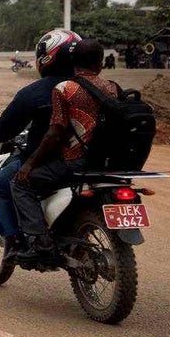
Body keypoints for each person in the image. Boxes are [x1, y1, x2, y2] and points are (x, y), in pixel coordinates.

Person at [0, 28, 80, 258]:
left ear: (46, 58)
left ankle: (18, 242)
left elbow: (3, 130)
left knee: (0, 185)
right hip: (89, 161)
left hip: (49, 160)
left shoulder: (36, 93)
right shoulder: (91, 87)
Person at [11, 39, 112, 266]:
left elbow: (55, 133)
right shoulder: (112, 88)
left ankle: (41, 244)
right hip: (105, 162)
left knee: (20, 184)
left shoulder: (64, 89)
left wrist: (28, 166)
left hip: (76, 162)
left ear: (73, 62)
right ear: (101, 63)